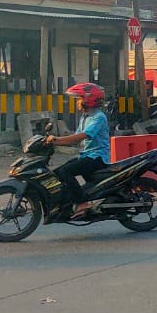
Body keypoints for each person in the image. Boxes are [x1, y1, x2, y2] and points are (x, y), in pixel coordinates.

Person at [46, 83, 110, 218]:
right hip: (86, 155)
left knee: (66, 171)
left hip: (97, 158)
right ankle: (67, 203)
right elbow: (75, 137)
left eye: (79, 99)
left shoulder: (98, 117)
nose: (77, 102)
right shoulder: (84, 117)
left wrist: (57, 140)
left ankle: (81, 203)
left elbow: (81, 137)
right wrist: (54, 142)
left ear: (89, 99)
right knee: (56, 173)